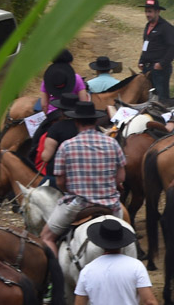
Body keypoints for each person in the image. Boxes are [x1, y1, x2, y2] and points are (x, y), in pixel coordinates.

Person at [41, 100, 127, 258]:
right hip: (111, 205)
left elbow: (60, 182)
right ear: (95, 121)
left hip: (78, 205)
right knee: (126, 234)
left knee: (47, 237)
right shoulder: (112, 143)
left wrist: (71, 189)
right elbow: (121, 177)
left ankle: (55, 273)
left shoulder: (66, 146)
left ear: (76, 122)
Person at [139, 0, 174, 100]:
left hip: (160, 70)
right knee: (147, 97)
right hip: (147, 68)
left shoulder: (166, 28)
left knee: (161, 98)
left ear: (157, 12)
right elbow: (146, 45)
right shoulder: (148, 26)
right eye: (146, 12)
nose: (147, 14)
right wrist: (141, 61)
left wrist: (162, 64)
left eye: (150, 12)